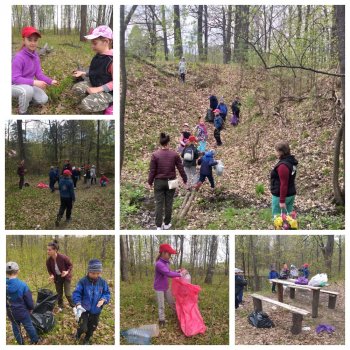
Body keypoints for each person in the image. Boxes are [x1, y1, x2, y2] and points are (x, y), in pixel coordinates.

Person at [12, 26, 58, 115]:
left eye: (35, 40)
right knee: (28, 90)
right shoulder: (19, 57)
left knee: (43, 99)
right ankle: (22, 112)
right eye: (29, 40)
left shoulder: (35, 56)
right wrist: (34, 82)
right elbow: (15, 79)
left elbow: (39, 74)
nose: (33, 43)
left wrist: (51, 81)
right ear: (24, 40)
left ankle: (26, 99)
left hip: (28, 85)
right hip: (14, 85)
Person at [148, 133, 187, 230]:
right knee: (169, 203)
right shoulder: (174, 154)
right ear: (168, 143)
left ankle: (158, 226)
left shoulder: (155, 155)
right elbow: (180, 168)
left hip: (159, 182)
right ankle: (166, 224)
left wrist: (149, 182)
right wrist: (184, 179)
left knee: (159, 203)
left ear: (161, 143)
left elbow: (152, 171)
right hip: (172, 181)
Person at [72, 25, 113, 113]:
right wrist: (83, 73)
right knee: (77, 88)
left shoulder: (112, 60)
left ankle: (110, 104)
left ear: (105, 41)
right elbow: (96, 72)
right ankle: (94, 98)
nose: (92, 46)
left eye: (95, 43)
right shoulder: (98, 56)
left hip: (108, 92)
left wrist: (98, 89)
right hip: (94, 84)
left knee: (86, 104)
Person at [72, 259, 110, 344]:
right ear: (89, 271)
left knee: (92, 326)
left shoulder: (102, 282)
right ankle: (78, 334)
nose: (95, 275)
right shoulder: (82, 281)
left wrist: (104, 299)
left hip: (96, 310)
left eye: (98, 273)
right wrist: (78, 304)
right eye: (93, 273)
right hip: (83, 309)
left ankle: (87, 338)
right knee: (82, 327)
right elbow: (76, 293)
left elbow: (107, 293)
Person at [6, 261, 39, 345]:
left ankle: (21, 344)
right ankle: (35, 340)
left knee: (15, 328)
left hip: (11, 312)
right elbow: (29, 300)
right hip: (23, 312)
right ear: (18, 271)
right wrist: (31, 308)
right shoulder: (23, 285)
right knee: (28, 326)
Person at [154, 244, 182, 327]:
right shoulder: (159, 264)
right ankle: (161, 320)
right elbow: (167, 273)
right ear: (163, 253)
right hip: (159, 288)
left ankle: (179, 315)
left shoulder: (166, 263)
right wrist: (180, 275)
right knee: (161, 305)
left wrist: (177, 271)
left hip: (166, 287)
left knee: (172, 302)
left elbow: (168, 271)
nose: (170, 256)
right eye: (169, 254)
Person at [270, 141, 298, 217]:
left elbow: (284, 184)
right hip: (290, 194)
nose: (274, 152)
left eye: (275, 150)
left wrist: (282, 201)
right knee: (288, 219)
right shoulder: (291, 162)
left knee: (277, 219)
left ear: (280, 152)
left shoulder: (283, 166)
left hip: (281, 196)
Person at [46, 240, 74, 311]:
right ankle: (61, 306)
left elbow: (70, 265)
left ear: (55, 250)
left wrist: (67, 272)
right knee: (59, 294)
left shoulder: (63, 257)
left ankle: (74, 306)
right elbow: (50, 270)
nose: (48, 251)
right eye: (47, 250)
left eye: (49, 250)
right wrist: (52, 275)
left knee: (67, 293)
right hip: (58, 278)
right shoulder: (48, 261)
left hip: (66, 277)